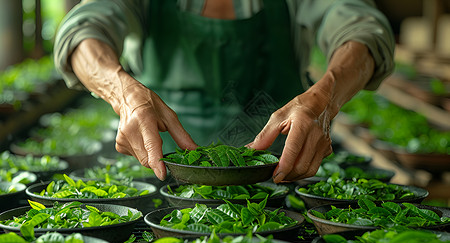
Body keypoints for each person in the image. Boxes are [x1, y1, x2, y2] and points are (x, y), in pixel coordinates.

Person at [54, 0, 395, 183]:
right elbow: (82, 28)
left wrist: (325, 98)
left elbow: (365, 29)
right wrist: (123, 94)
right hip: (159, 175)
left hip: (284, 173)